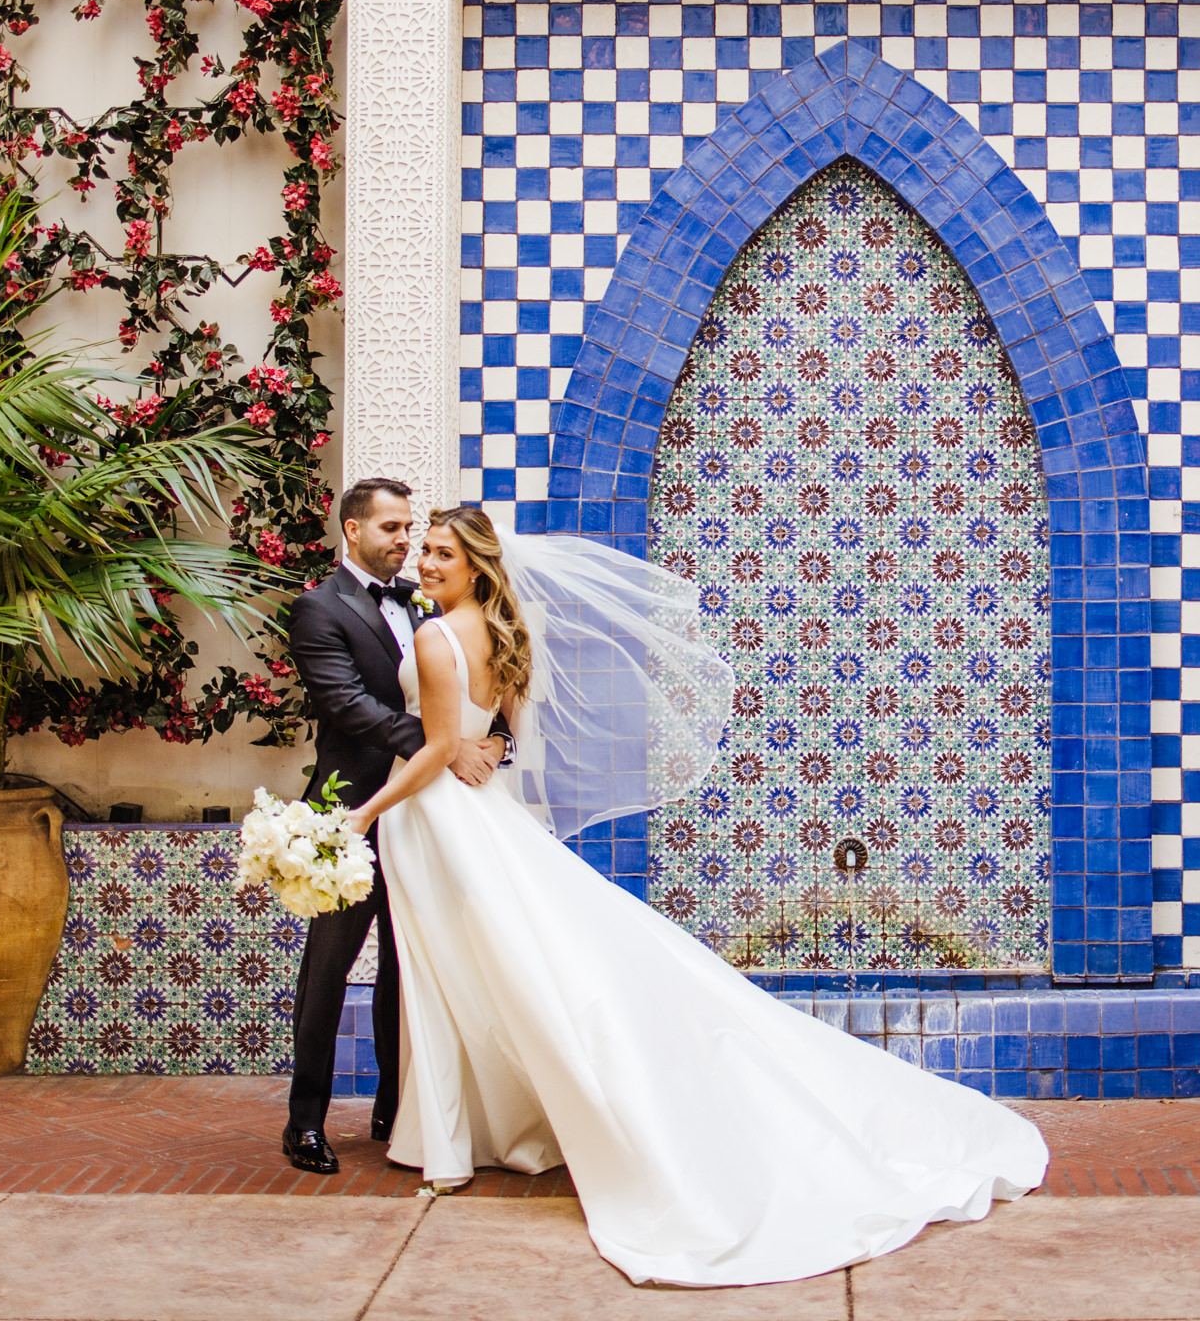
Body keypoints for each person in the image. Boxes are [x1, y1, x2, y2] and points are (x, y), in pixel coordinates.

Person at [343, 506, 1046, 1287]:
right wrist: (489, 746)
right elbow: (498, 731)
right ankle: (471, 1129)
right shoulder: (503, 631)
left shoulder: (440, 637)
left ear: (477, 565)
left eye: (442, 552)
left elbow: (441, 747)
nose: (427, 562)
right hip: (474, 817)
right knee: (473, 973)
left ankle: (448, 1144)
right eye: (426, 550)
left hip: (442, 819)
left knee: (457, 977)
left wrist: (364, 813)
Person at [278, 478, 504, 1176]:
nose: (405, 542)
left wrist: (488, 743)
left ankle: (394, 1107)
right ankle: (305, 1122)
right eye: (391, 528)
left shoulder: (424, 603)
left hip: (432, 815)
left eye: (411, 529)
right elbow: (346, 704)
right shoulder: (318, 608)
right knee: (330, 968)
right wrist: (441, 743)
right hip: (356, 808)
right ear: (351, 530)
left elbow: (485, 694)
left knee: (411, 968)